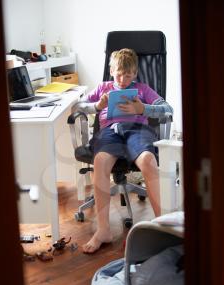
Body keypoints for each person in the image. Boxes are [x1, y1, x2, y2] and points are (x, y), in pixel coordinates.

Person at [73, 48, 173, 253]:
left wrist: (143, 109)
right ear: (111, 71)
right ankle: (103, 230)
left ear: (135, 74)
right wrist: (97, 106)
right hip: (109, 133)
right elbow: (79, 106)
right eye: (119, 74)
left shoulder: (143, 89)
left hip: (138, 131)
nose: (123, 79)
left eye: (128, 75)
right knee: (100, 161)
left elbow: (167, 109)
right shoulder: (103, 88)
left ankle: (161, 227)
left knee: (147, 160)